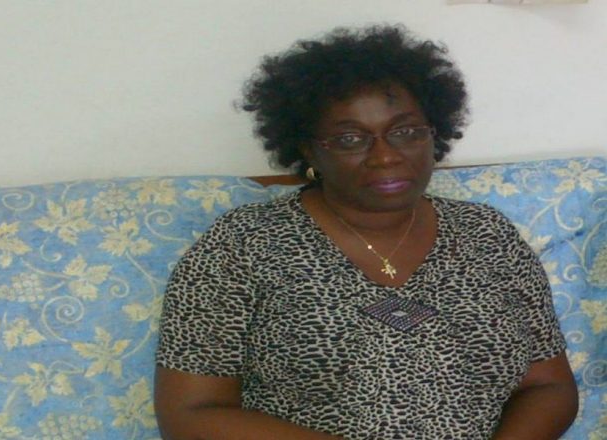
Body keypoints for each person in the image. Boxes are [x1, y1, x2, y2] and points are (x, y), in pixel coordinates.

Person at [154, 24, 578, 439]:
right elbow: (191, 414)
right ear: (307, 148)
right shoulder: (243, 244)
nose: (385, 157)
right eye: (350, 139)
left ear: (435, 133)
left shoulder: (487, 235)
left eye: (406, 132)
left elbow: (549, 386)